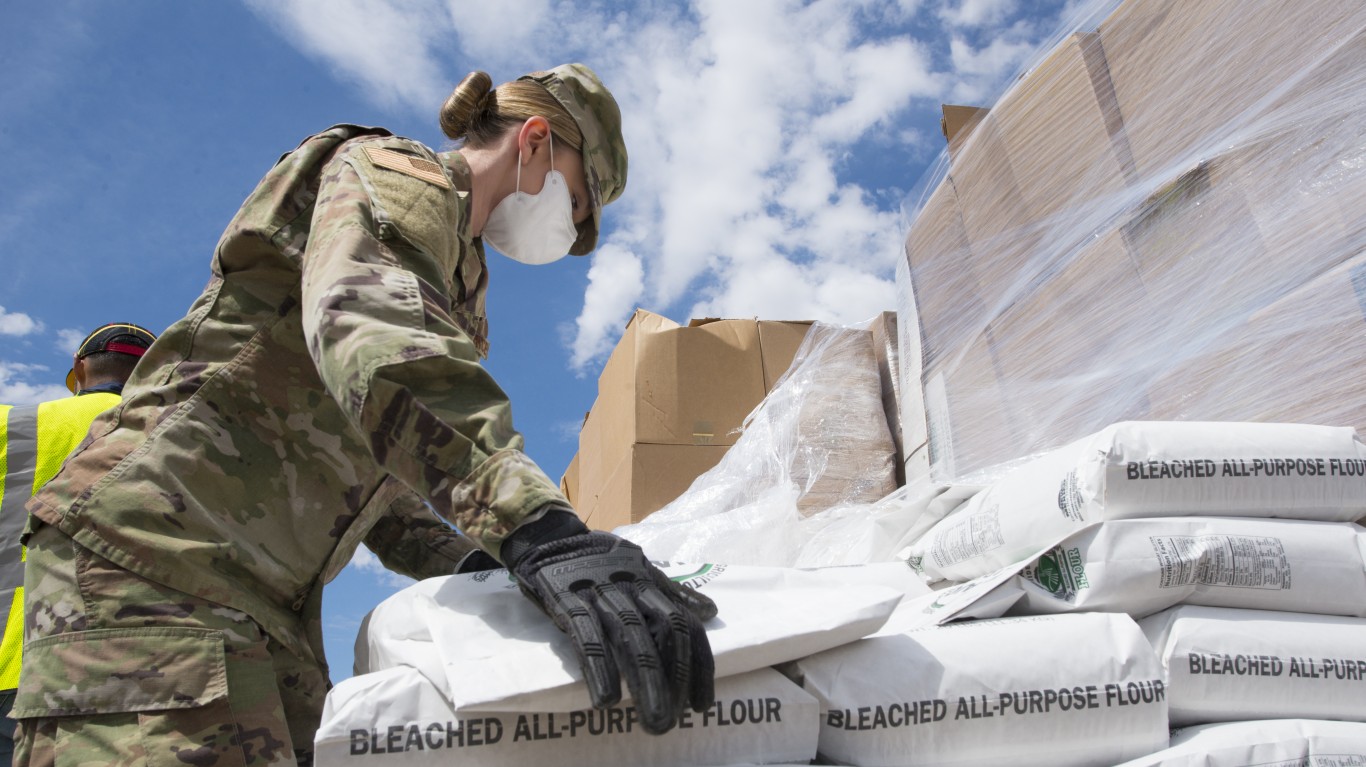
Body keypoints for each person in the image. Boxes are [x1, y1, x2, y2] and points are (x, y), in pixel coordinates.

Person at [13, 63, 714, 766]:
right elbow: (365, 325)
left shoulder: (458, 283)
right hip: (154, 559)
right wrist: (539, 527)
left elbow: (382, 482)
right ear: (534, 142)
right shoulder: (396, 173)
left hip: (262, 601)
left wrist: (482, 563)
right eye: (579, 204)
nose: (571, 228)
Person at [0, 322, 157, 765]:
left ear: (78, 368)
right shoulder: (188, 435)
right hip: (129, 676)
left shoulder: (11, 424)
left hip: (8, 663)